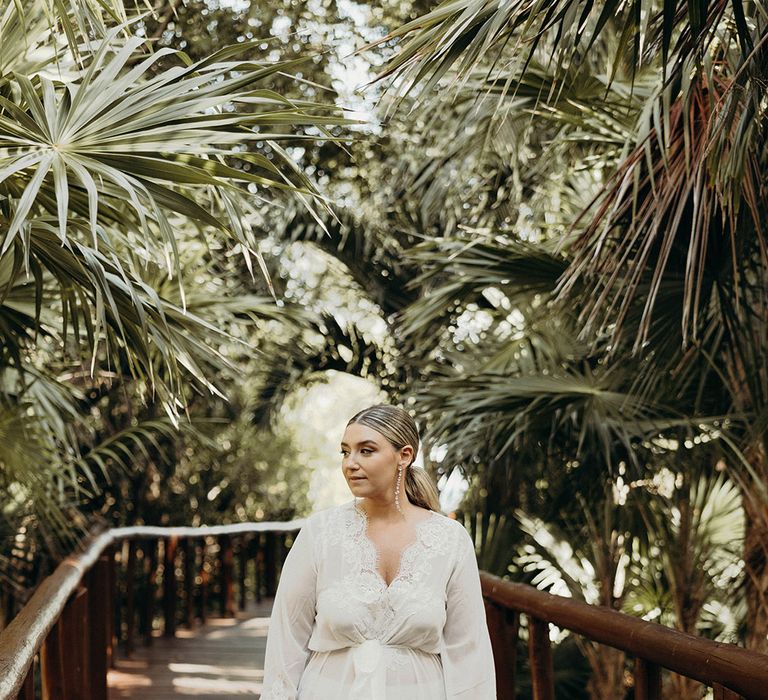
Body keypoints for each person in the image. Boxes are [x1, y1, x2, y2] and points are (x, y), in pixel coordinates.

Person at [261, 404, 496, 699]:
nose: (350, 463)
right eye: (345, 452)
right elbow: (287, 638)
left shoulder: (450, 540)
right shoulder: (320, 532)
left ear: (404, 456)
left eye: (366, 450)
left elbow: (469, 650)